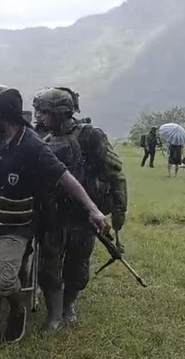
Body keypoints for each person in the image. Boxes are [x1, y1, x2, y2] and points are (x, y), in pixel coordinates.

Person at [0, 88, 107, 351]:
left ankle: (18, 310)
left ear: (3, 115)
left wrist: (92, 208)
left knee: (4, 280)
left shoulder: (32, 145)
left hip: (16, 224)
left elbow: (64, 177)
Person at [34, 87, 128, 333]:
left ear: (61, 112)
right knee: (48, 267)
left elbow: (115, 172)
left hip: (83, 215)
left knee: (77, 268)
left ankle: (68, 307)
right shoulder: (44, 141)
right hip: (53, 214)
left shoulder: (90, 136)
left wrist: (119, 210)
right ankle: (53, 316)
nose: (40, 117)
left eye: (45, 112)